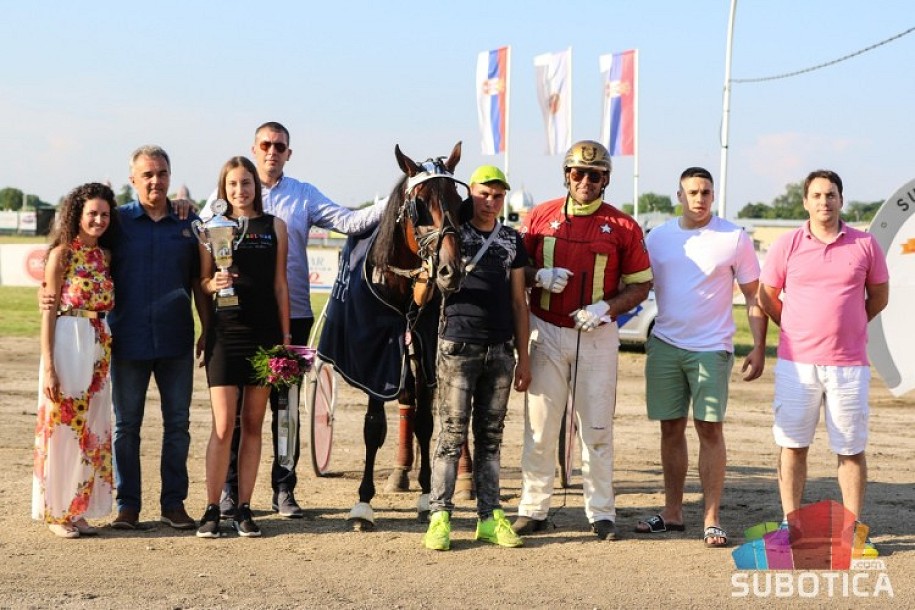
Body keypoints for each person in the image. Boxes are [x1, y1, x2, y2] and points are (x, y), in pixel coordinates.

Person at [201, 122, 385, 519]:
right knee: (234, 416)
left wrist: (399, 196)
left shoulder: (303, 196)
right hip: (235, 322)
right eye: (265, 144)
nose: (272, 151)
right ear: (254, 147)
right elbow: (200, 244)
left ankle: (284, 488)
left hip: (292, 320)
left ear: (289, 153)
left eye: (279, 146)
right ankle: (230, 491)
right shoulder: (225, 196)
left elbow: (350, 222)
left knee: (287, 410)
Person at [514, 140, 652, 541]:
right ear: (566, 175)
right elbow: (515, 265)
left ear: (606, 179)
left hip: (596, 337)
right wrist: (537, 275)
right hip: (547, 329)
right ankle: (533, 506)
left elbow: (641, 286)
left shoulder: (624, 226)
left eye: (595, 175)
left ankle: (601, 511)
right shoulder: (539, 216)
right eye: (578, 173)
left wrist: (606, 308)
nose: (585, 181)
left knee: (596, 428)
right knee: (539, 426)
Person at [634, 167, 767, 548]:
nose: (700, 198)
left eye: (706, 192)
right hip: (664, 344)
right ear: (679, 195)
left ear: (714, 195)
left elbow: (754, 296)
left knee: (710, 428)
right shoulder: (657, 238)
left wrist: (758, 346)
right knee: (670, 428)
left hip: (712, 348)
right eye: (692, 191)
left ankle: (711, 518)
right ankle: (672, 513)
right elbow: (635, 282)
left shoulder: (734, 238)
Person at [758, 170, 889, 523]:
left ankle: (853, 526)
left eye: (830, 195)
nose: (824, 202)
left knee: (850, 449)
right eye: (816, 195)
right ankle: (791, 522)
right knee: (793, 445)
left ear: (841, 200)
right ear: (805, 202)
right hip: (796, 363)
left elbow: (878, 296)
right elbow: (767, 295)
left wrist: (851, 323)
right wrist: (792, 325)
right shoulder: (787, 244)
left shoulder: (865, 244)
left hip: (849, 364)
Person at [422, 165, 531, 551]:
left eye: (498, 195)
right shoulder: (451, 234)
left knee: (490, 439)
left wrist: (524, 356)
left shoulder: (512, 240)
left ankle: (490, 517)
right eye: (485, 193)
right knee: (451, 437)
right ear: (471, 192)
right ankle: (440, 516)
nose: (491, 201)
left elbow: (519, 302)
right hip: (457, 344)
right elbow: (424, 292)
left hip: (500, 349)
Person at [108, 145, 208, 530]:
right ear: (132, 179)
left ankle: (173, 504)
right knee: (126, 426)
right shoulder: (116, 223)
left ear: (170, 176)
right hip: (126, 340)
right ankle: (127, 506)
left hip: (175, 339)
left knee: (178, 426)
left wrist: (207, 328)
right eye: (147, 174)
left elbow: (201, 282)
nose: (155, 180)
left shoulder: (190, 223)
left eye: (162, 173)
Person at [196, 157, 290, 538]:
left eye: (246, 183)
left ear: (257, 186)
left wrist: (284, 339)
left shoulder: (275, 227)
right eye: (233, 184)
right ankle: (211, 508)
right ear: (223, 188)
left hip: (264, 335)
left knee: (253, 424)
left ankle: (245, 509)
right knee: (222, 426)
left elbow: (280, 284)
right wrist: (211, 288)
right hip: (225, 334)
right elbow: (202, 282)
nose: (240, 190)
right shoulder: (211, 229)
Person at [33, 183, 119, 538]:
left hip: (98, 342)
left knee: (91, 429)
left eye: (104, 214)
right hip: (68, 340)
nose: (98, 220)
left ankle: (77, 507)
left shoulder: (105, 256)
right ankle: (56, 511)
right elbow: (48, 313)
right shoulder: (61, 255)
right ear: (77, 216)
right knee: (64, 426)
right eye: (92, 214)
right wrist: (49, 366)